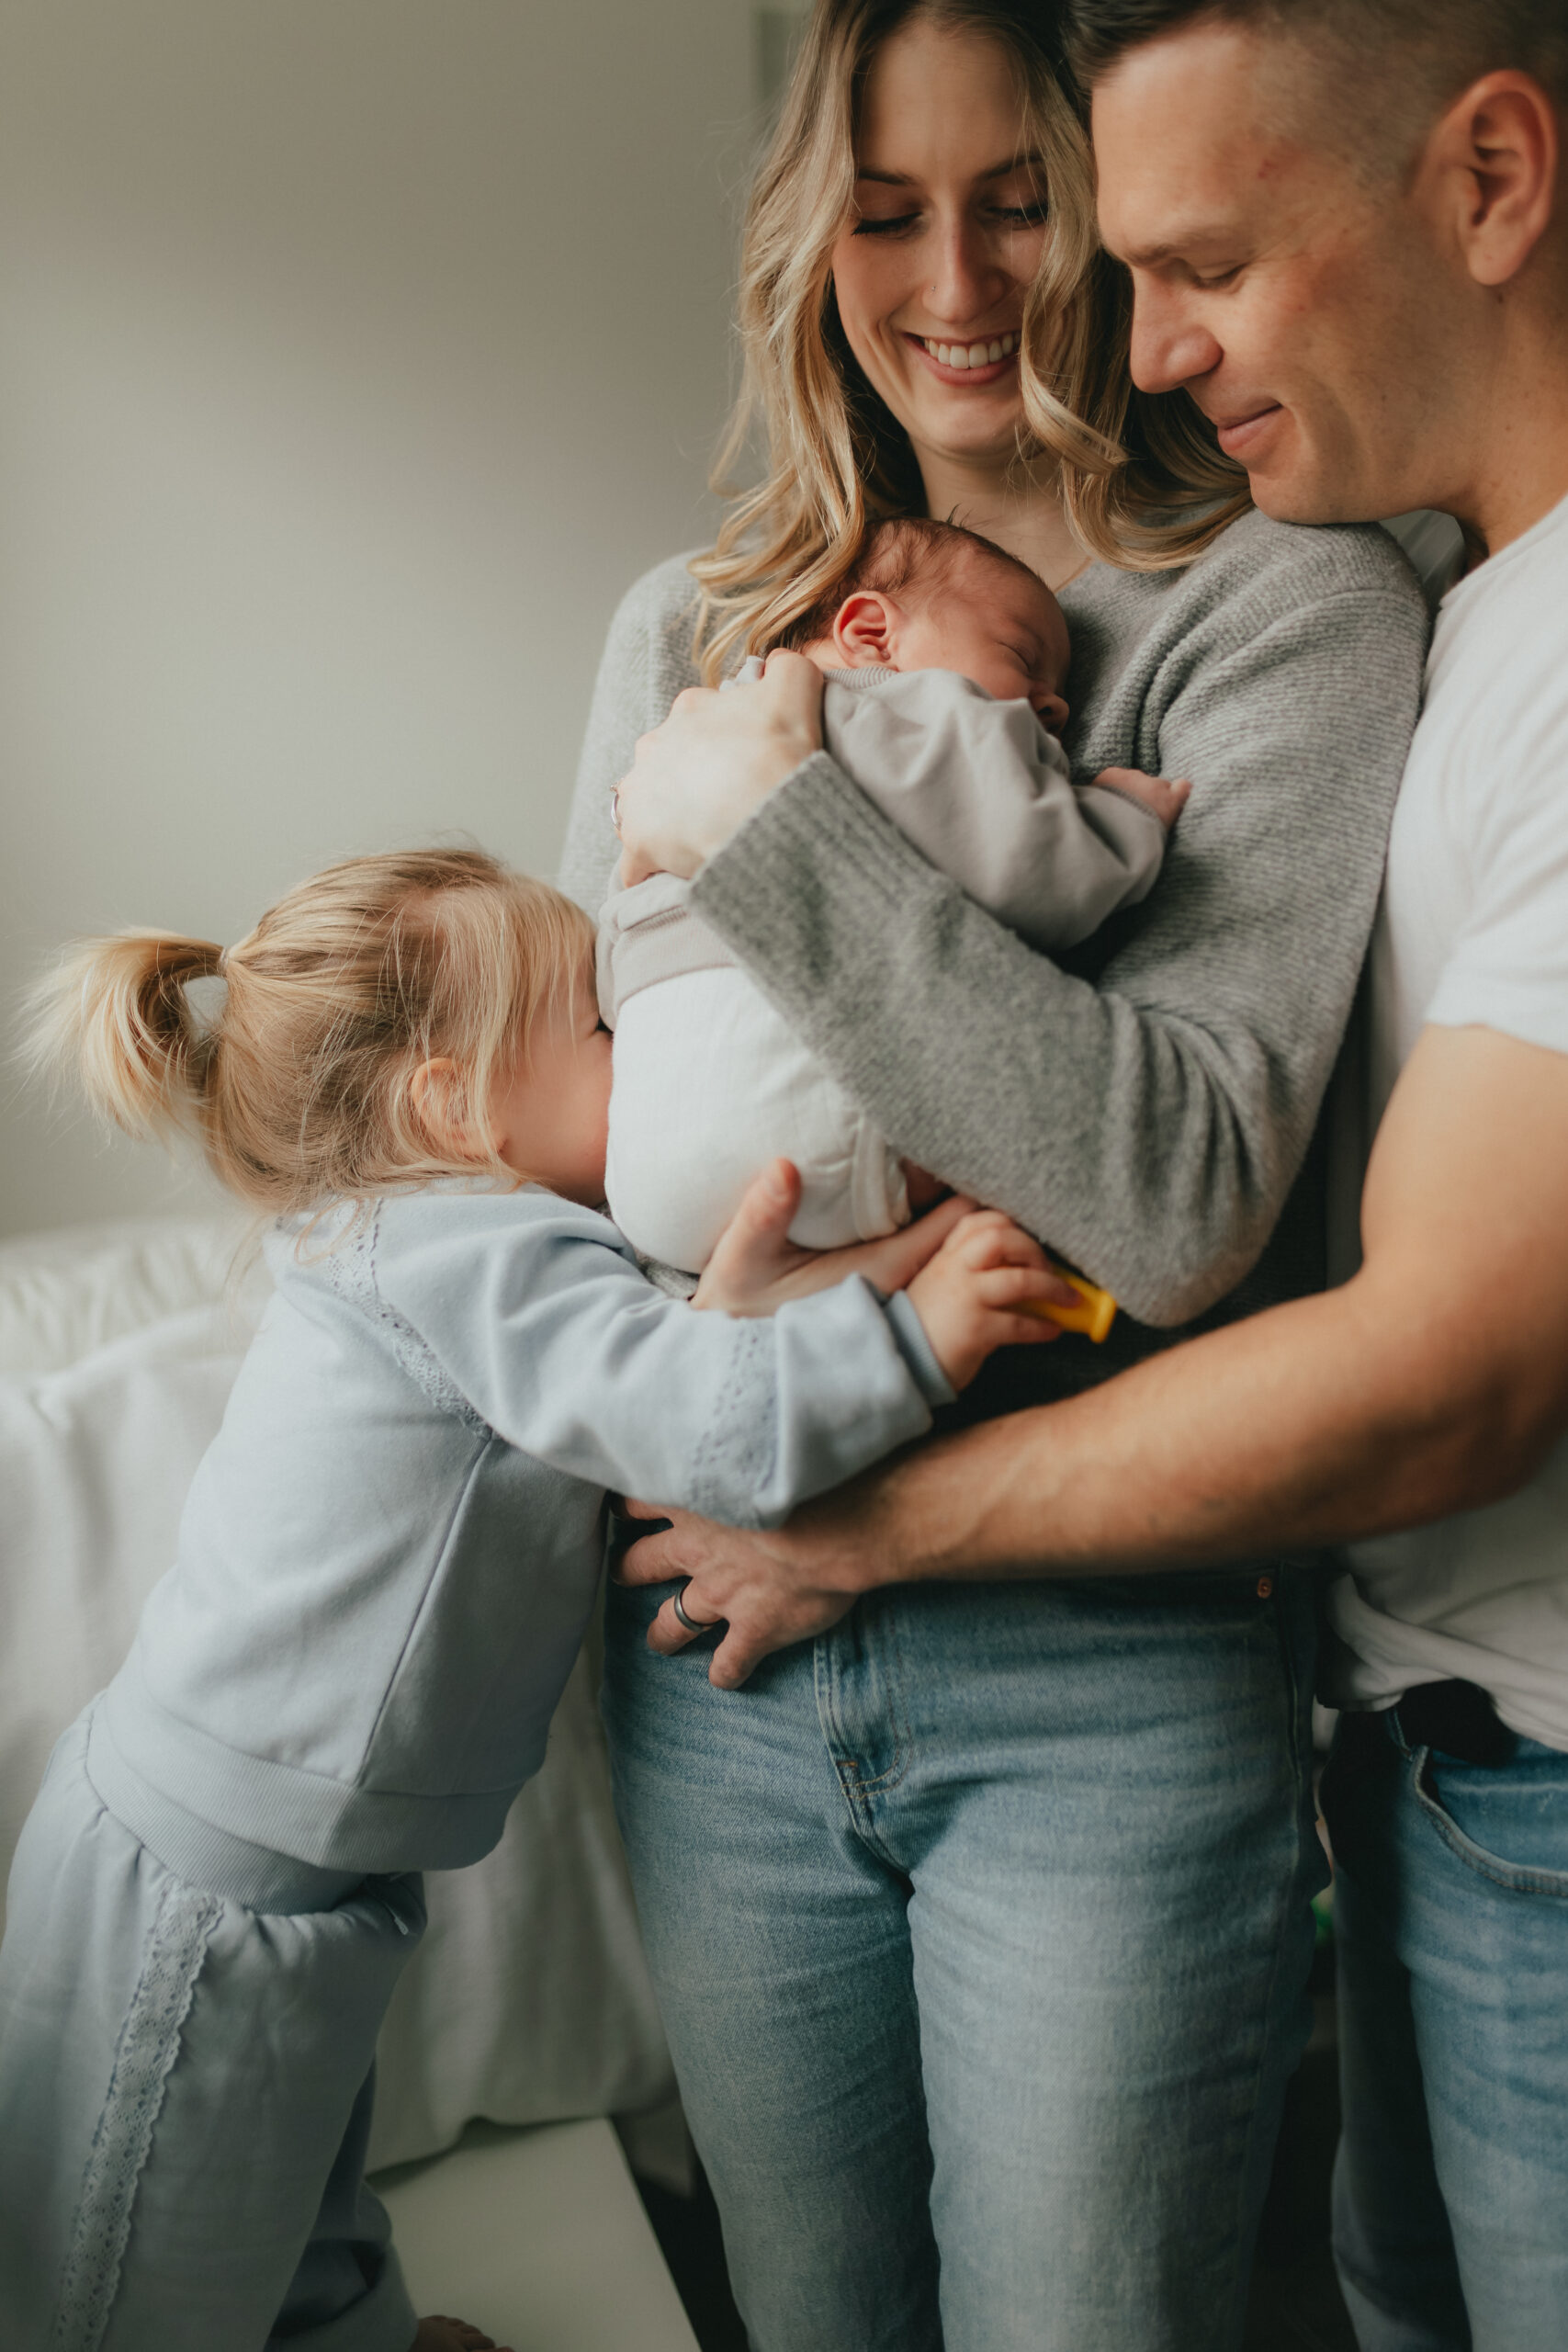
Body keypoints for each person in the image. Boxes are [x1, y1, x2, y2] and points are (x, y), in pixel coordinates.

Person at [610, 5, 1568, 2347]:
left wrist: (777, 835)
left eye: (1026, 202)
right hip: (720, 1649)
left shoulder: (1296, 602)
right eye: (880, 207)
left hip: (1124, 1669)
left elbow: (1169, 1190)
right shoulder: (682, 619)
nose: (963, 281)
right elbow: (607, 1133)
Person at [0, 846, 1050, 2352]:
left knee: (288, 2177)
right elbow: (703, 1420)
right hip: (203, 1888)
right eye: (600, 1027)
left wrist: (870, 1274)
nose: (641, 1050)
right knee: (137, 2269)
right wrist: (920, 1340)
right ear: (453, 1107)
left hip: (281, 1862)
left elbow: (681, 1350)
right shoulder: (471, 1251)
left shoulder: (427, 1240)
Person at [601, 513, 1183, 1271]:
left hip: (648, 1181)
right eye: (1020, 657)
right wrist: (1122, 816)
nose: (1056, 707)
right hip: (798, 1127)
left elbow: (613, 960)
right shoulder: (912, 708)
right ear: (872, 636)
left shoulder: (689, 740)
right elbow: (1036, 870)